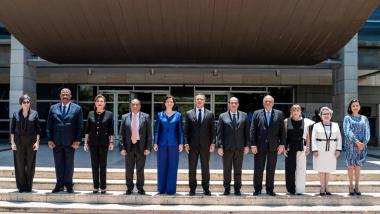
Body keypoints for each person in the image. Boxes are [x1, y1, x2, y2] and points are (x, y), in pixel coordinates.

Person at [46, 88, 83, 193]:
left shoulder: (77, 108)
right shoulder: (53, 108)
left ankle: (69, 185)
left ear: (70, 96)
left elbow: (80, 126)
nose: (65, 95)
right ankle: (59, 185)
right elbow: (49, 125)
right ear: (60, 95)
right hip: (56, 142)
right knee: (58, 164)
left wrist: (77, 140)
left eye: (67, 94)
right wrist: (49, 139)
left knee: (69, 164)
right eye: (63, 94)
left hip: (71, 143)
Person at [250, 95, 285, 196]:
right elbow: (253, 130)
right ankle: (257, 189)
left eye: (270, 101)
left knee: (271, 169)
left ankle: (270, 189)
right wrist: (253, 144)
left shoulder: (279, 114)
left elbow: (282, 130)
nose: (268, 103)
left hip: (273, 146)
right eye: (266, 101)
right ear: (263, 103)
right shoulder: (257, 113)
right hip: (259, 146)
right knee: (258, 169)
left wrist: (282, 144)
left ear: (273, 103)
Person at [217, 97, 250, 196]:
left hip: (240, 148)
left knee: (238, 170)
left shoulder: (244, 115)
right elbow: (219, 133)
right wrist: (220, 146)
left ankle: (237, 189)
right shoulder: (222, 116)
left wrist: (247, 145)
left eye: (235, 103)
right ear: (228, 104)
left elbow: (247, 132)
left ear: (238, 104)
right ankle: (226, 189)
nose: (233, 104)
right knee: (227, 170)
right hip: (227, 148)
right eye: (232, 103)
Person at [184, 94, 216, 196]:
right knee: (192, 168)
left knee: (205, 168)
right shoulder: (189, 113)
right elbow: (186, 131)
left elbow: (213, 131)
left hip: (205, 146)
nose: (199, 101)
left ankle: (206, 188)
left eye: (201, 99)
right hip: (192, 146)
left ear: (204, 101)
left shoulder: (210, 114)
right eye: (197, 99)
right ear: (195, 101)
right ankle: (192, 189)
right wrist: (186, 143)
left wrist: (213, 143)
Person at [120, 98, 152, 195]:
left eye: (137, 104)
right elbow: (121, 134)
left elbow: (149, 134)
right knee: (129, 169)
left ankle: (140, 188)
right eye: (133, 104)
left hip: (141, 146)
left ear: (140, 106)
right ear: (130, 106)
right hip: (129, 147)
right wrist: (122, 148)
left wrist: (148, 148)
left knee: (140, 169)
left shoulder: (146, 117)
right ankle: (129, 188)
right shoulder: (125, 117)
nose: (135, 106)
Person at [84, 95, 114, 194]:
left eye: (101, 101)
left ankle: (103, 187)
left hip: (104, 143)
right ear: (95, 103)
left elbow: (111, 130)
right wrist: (85, 143)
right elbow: (87, 130)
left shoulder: (109, 114)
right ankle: (95, 186)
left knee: (103, 165)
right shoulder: (90, 114)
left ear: (104, 103)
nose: (99, 103)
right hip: (93, 143)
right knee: (94, 165)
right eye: (98, 101)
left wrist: (111, 142)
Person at [10, 94, 41, 193]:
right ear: (21, 103)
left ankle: (28, 186)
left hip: (31, 143)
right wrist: (12, 143)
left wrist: (37, 143)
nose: (26, 104)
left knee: (30, 165)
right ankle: (21, 186)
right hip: (18, 143)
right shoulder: (15, 114)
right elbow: (12, 131)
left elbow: (38, 130)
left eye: (28, 102)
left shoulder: (35, 114)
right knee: (20, 165)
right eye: (24, 102)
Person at [154, 95, 184, 195]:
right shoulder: (159, 115)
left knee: (172, 166)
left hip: (174, 144)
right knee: (161, 166)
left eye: (171, 101)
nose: (169, 103)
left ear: (174, 103)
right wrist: (155, 142)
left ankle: (171, 189)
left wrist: (181, 143)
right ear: (165, 103)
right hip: (162, 144)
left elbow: (180, 131)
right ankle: (161, 189)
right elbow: (157, 130)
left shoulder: (178, 115)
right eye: (167, 101)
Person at [283, 104, 314, 195]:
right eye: (294, 110)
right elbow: (284, 135)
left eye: (297, 110)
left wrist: (308, 147)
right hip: (289, 147)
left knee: (301, 169)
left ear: (300, 111)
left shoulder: (306, 122)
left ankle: (300, 190)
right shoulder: (286, 121)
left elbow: (308, 136)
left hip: (301, 147)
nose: (295, 112)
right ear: (291, 112)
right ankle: (291, 189)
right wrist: (284, 148)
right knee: (290, 169)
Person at [311, 106, 342, 196]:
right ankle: (322, 187)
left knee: (328, 168)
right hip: (320, 149)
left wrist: (338, 149)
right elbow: (313, 138)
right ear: (321, 115)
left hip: (331, 149)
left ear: (331, 115)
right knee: (321, 169)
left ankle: (327, 187)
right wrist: (314, 149)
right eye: (324, 114)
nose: (326, 115)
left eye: (328, 114)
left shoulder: (335, 125)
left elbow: (339, 138)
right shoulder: (316, 125)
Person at [343, 99, 370, 196]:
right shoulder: (347, 118)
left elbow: (367, 131)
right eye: (353, 105)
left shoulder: (364, 118)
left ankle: (357, 186)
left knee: (358, 166)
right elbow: (347, 131)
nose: (355, 107)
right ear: (350, 107)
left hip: (362, 146)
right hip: (351, 145)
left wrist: (364, 143)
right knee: (350, 166)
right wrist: (356, 142)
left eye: (357, 105)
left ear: (359, 107)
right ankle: (350, 186)